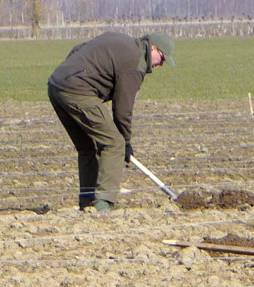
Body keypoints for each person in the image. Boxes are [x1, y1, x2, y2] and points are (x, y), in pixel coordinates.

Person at [47, 30, 176, 212]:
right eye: (162, 58)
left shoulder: (122, 41)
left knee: (87, 147)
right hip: (77, 91)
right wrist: (126, 143)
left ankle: (87, 203)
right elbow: (123, 110)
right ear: (153, 48)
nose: (161, 64)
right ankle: (103, 204)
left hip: (56, 85)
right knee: (114, 143)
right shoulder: (135, 63)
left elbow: (78, 49)